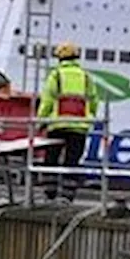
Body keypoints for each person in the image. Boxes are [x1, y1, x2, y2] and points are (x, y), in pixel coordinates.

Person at [36, 42, 99, 201]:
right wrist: (89, 118)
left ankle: (50, 194)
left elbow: (47, 102)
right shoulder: (86, 77)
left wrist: (39, 122)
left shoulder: (56, 76)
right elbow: (94, 101)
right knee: (73, 161)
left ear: (60, 58)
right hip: (79, 127)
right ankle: (67, 196)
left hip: (57, 125)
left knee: (51, 158)